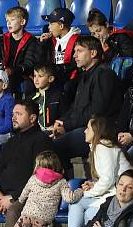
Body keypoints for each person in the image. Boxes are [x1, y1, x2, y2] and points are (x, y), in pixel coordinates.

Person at [52, 36, 122, 177]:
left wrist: (67, 125)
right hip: (84, 127)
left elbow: (97, 111)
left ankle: (66, 188)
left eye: (79, 51)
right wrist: (61, 121)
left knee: (53, 147)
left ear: (93, 53)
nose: (74, 55)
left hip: (100, 130)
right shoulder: (85, 75)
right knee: (44, 141)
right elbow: (75, 107)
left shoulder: (103, 74)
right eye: (74, 51)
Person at [63, 117, 133, 227]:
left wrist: (87, 193)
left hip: (118, 197)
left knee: (85, 208)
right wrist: (94, 184)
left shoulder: (103, 147)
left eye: (88, 128)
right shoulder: (100, 147)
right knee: (77, 203)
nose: (85, 131)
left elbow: (108, 180)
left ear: (97, 131)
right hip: (111, 193)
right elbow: (107, 178)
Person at [0, 150, 67, 227]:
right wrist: (80, 191)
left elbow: (22, 197)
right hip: (42, 221)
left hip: (26, 217)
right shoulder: (62, 182)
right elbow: (69, 198)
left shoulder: (33, 179)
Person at [0, 6, 43, 97]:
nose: (8, 23)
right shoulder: (1, 39)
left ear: (22, 22)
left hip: (21, 75)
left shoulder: (31, 41)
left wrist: (11, 71)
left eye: (12, 20)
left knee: (19, 84)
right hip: (1, 74)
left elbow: (29, 64)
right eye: (7, 20)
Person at [38, 7, 80, 83]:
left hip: (70, 80)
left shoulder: (78, 41)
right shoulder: (50, 41)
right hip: (54, 78)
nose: (48, 27)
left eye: (51, 24)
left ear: (61, 26)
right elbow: (42, 61)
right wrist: (42, 45)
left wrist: (56, 68)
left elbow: (75, 65)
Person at [31, 63, 65, 134]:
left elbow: (64, 115)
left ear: (50, 79)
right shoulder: (32, 98)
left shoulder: (58, 96)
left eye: (40, 76)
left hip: (53, 131)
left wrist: (57, 125)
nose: (36, 79)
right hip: (36, 133)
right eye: (35, 76)